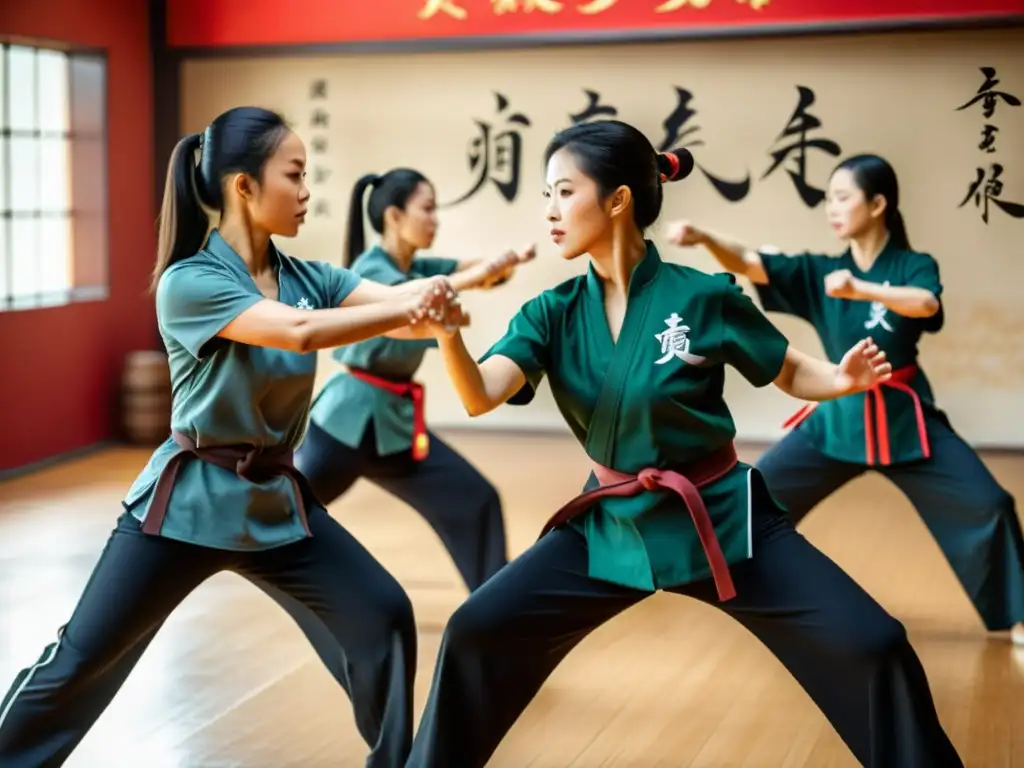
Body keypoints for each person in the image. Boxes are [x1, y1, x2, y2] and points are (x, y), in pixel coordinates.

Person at [405, 122, 963, 767]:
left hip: (721, 517)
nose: (549, 211)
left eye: (563, 192)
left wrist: (841, 379)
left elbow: (785, 367)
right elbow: (480, 395)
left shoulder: (702, 296)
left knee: (872, 641)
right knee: (477, 629)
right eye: (546, 195)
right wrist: (448, 337)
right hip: (611, 521)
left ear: (617, 201)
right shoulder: (550, 312)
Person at [0, 106, 466, 768]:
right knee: (81, 659)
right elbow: (300, 332)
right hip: (185, 508)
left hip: (275, 504)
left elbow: (396, 313)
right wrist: (411, 306)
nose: (307, 192)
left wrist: (441, 301)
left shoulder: (309, 278)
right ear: (244, 186)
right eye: (295, 175)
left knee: (382, 615)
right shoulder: (190, 282)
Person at [668, 153, 1024, 647]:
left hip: (904, 417)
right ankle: (710, 581)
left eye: (842, 198)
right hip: (837, 416)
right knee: (753, 496)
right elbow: (751, 262)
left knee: (990, 504)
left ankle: (1017, 615)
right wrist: (705, 238)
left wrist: (861, 289)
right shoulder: (823, 271)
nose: (832, 209)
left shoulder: (912, 265)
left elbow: (926, 303)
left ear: (878, 204)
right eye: (828, 199)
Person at [295, 168, 533, 593]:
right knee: (283, 510)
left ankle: (497, 603)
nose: (435, 219)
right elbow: (417, 301)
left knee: (475, 497)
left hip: (397, 426)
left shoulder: (418, 266)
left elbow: (475, 274)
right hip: (345, 422)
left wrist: (506, 264)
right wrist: (474, 280)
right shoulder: (371, 270)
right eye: (426, 208)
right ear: (394, 215)